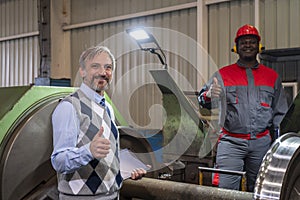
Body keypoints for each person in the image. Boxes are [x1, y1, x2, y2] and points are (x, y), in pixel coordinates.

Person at [198, 24, 288, 192]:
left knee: (261, 189)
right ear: (236, 48)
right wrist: (209, 95)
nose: (248, 45)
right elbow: (201, 100)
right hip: (231, 141)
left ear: (258, 46)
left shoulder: (272, 77)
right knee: (226, 191)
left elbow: (280, 113)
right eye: (243, 42)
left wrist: (277, 144)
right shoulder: (222, 75)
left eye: (252, 41)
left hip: (262, 143)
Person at [51, 45, 147, 199]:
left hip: (111, 194)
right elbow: (59, 161)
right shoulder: (69, 107)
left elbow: (106, 155)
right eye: (95, 66)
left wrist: (126, 171)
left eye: (108, 67)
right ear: (82, 71)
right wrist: (88, 151)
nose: (103, 72)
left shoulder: (107, 107)